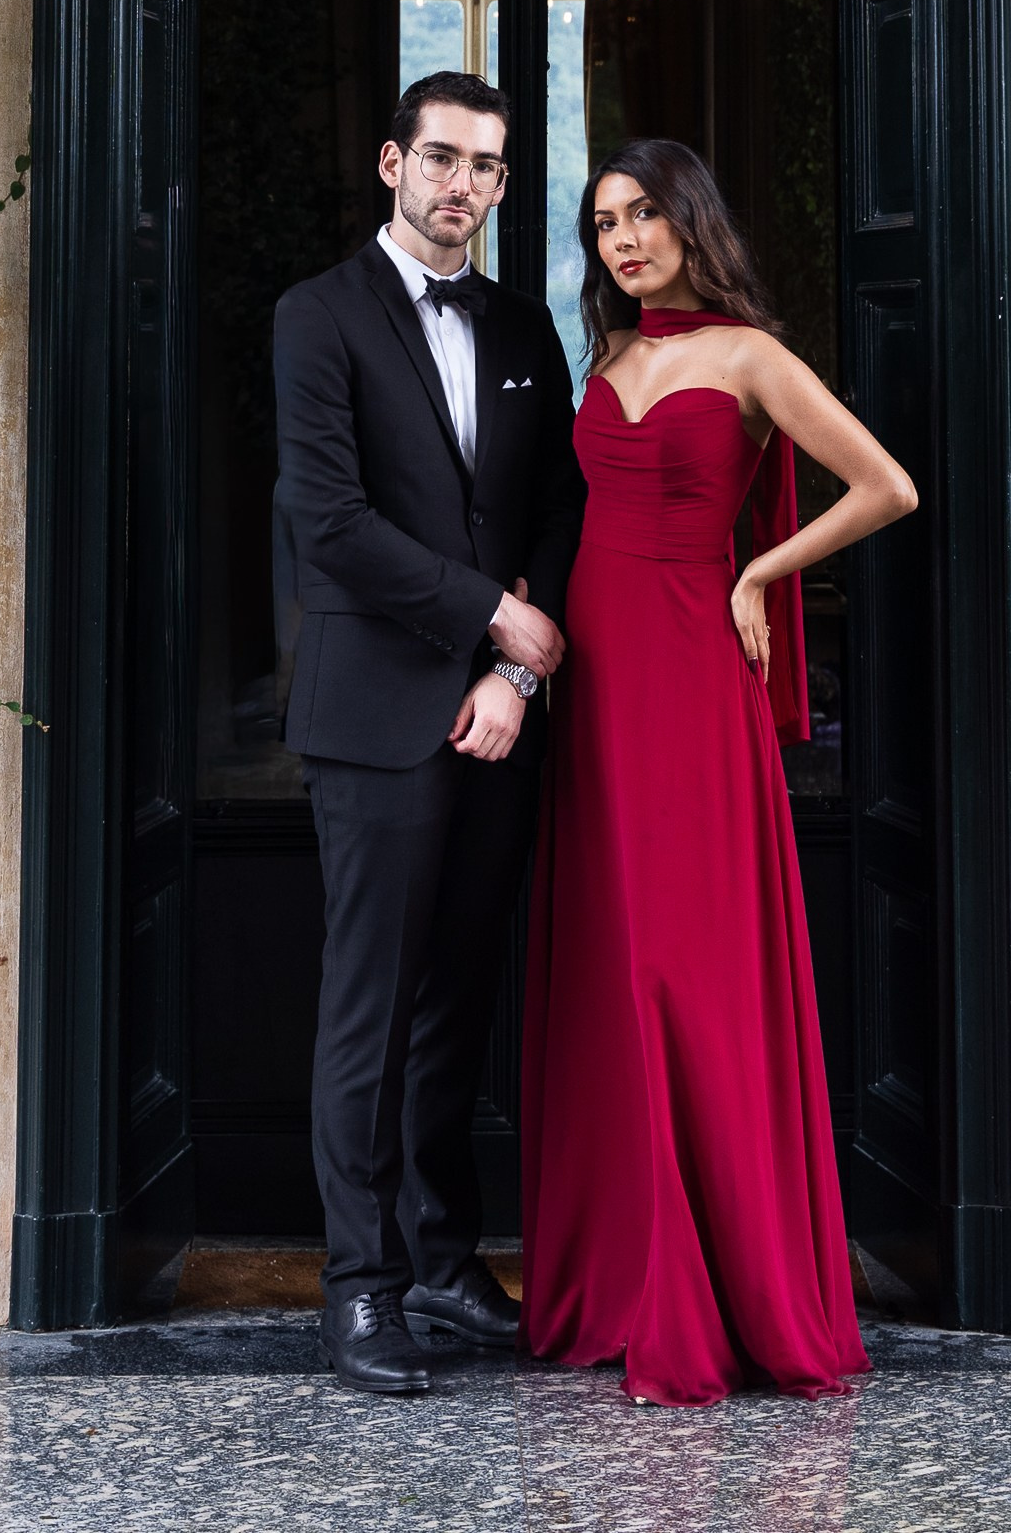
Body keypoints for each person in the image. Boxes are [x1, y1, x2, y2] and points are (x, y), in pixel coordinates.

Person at [521, 136, 917, 1406]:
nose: (622, 239)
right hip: (596, 686)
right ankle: (630, 1279)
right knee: (609, 959)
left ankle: (723, 1286)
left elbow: (887, 486)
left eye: (642, 214)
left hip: (693, 674)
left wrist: (758, 568)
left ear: (691, 219)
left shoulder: (750, 356)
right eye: (600, 223)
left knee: (684, 966)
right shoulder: (611, 358)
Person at [272, 71, 586, 1396]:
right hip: (373, 716)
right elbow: (330, 525)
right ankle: (360, 1291)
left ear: (507, 185)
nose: (463, 184)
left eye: (488, 167)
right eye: (442, 158)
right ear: (393, 163)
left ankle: (444, 1259)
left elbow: (562, 510)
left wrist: (516, 675)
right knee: (370, 1012)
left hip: (498, 724)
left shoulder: (526, 325)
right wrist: (491, 625)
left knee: (461, 1004)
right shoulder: (316, 318)